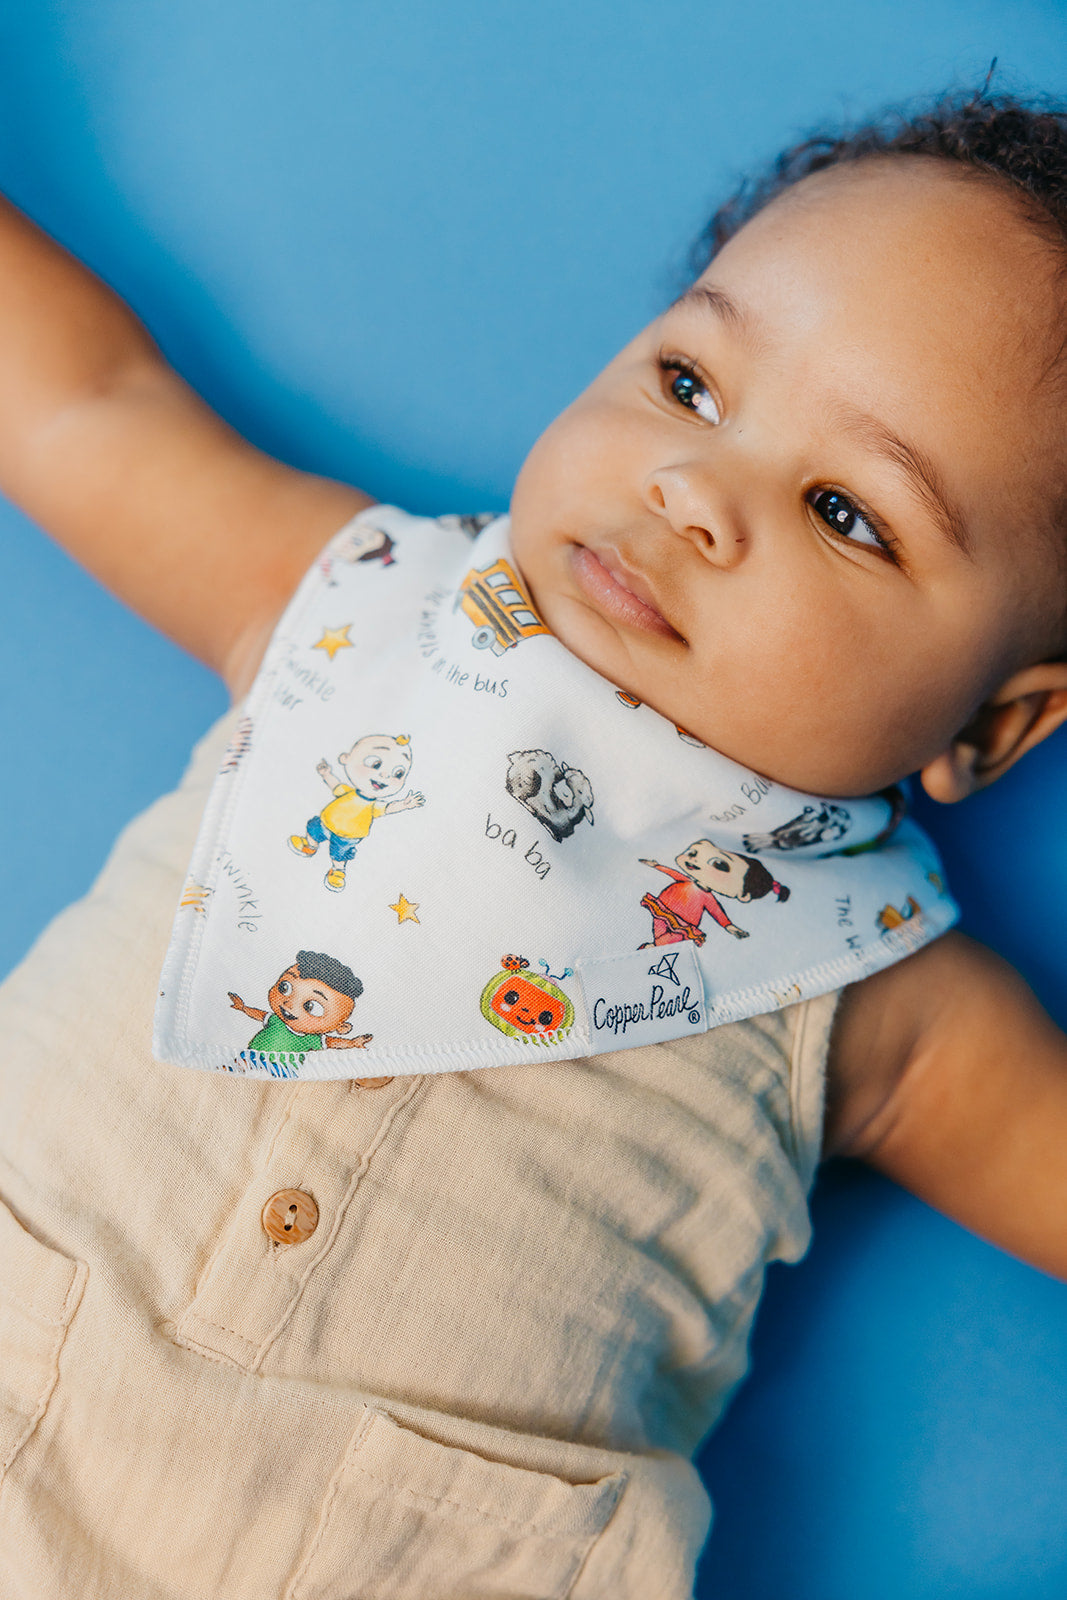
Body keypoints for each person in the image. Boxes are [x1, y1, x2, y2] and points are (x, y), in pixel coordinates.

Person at [3, 88, 1067, 1598]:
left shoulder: (878, 985)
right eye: (691, 382)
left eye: (846, 509)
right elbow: (81, 404)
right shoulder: (353, 603)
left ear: (995, 728)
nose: (692, 487)